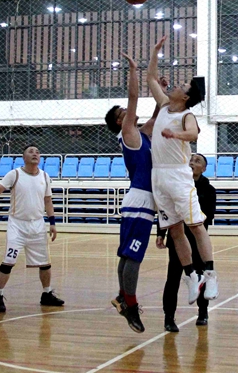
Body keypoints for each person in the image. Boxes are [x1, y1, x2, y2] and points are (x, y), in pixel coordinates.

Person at [147, 35, 219, 305]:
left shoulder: (185, 115)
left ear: (186, 96)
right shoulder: (165, 106)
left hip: (178, 174)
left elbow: (192, 134)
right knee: (175, 231)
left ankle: (210, 275)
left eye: (183, 85)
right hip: (158, 176)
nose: (177, 84)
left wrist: (174, 135)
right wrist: (155, 51)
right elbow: (151, 78)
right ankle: (192, 277)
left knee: (196, 227)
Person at [104, 53, 160, 333]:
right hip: (140, 199)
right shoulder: (128, 133)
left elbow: (157, 116)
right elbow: (133, 97)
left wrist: (160, 91)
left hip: (139, 200)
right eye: (121, 113)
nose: (127, 111)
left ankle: (120, 296)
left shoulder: (141, 135)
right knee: (134, 257)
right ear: (119, 122)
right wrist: (134, 71)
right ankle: (131, 305)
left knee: (127, 255)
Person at [0, 145, 63, 312]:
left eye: (37, 152)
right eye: (31, 151)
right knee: (8, 261)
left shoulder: (44, 176)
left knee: (45, 263)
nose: (35, 154)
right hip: (17, 224)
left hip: (37, 224)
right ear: (23, 157)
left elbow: (48, 201)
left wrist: (52, 223)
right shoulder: (14, 174)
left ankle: (46, 294)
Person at [157, 153, 217, 332]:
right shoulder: (175, 185)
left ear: (203, 169)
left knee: (201, 276)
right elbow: (166, 211)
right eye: (190, 160)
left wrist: (190, 216)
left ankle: (203, 313)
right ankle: (169, 317)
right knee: (173, 279)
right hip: (177, 239)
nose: (192, 162)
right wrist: (161, 233)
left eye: (197, 161)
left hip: (197, 241)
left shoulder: (209, 189)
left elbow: (208, 216)